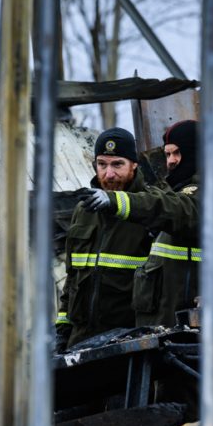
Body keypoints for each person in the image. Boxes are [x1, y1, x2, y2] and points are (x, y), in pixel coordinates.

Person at [80, 120, 213, 332]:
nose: (171, 162)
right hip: (184, 337)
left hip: (198, 342)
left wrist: (117, 201)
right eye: (167, 155)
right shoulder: (193, 191)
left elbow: (176, 209)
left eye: (177, 153)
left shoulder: (210, 192)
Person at [55, 127, 153, 349]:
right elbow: (72, 279)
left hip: (128, 342)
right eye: (102, 164)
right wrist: (63, 330)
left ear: (134, 165)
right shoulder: (84, 211)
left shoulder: (149, 210)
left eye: (118, 164)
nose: (109, 174)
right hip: (80, 340)